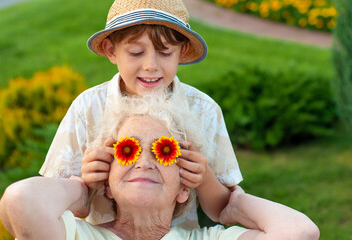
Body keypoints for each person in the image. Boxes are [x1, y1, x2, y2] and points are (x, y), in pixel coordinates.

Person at [0, 94, 320, 240]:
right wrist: (81, 191)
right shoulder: (77, 235)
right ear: (107, 182)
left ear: (184, 188)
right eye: (128, 149)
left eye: (164, 151)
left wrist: (228, 206)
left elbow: (299, 232)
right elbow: (19, 202)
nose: (145, 161)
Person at [39, 0, 243, 228]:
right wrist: (84, 185)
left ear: (182, 51)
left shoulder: (203, 110)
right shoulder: (87, 108)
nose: (150, 65)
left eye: (165, 52)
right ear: (111, 50)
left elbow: (222, 211)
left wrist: (204, 178)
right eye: (136, 52)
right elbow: (53, 208)